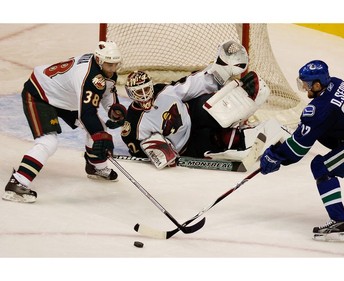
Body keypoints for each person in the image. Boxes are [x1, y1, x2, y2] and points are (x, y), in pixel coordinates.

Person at [259, 60, 344, 242]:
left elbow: (297, 150)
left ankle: (338, 222)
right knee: (323, 136)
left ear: (318, 84)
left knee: (321, 167)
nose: (305, 88)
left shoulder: (320, 109)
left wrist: (276, 156)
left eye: (306, 84)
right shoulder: (338, 82)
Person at [114, 40, 271, 169]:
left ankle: (243, 115)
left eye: (146, 89)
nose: (144, 95)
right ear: (130, 94)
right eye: (138, 92)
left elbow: (188, 86)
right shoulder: (134, 123)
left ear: (151, 85)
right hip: (187, 145)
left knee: (214, 106)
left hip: (193, 114)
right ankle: (242, 138)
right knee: (215, 142)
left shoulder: (162, 91)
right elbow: (134, 146)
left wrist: (218, 72)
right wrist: (155, 152)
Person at [3, 41, 127, 204]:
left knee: (99, 129)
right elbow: (87, 114)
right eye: (109, 64)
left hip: (63, 98)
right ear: (99, 60)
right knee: (48, 142)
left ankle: (96, 167)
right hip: (40, 95)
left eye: (115, 64)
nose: (112, 69)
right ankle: (18, 183)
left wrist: (113, 110)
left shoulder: (104, 69)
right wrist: (100, 137)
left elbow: (106, 92)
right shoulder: (88, 76)